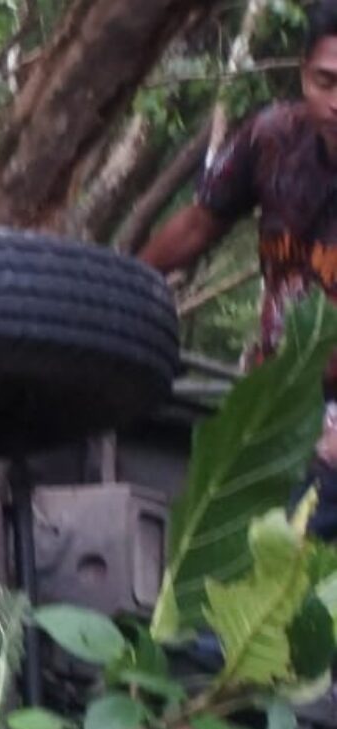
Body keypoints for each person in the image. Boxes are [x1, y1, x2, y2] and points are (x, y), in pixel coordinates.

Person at [142, 0, 337, 528]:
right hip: (275, 392)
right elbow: (200, 224)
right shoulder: (272, 139)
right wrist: (126, 283)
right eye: (326, 82)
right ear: (304, 75)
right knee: (226, 532)